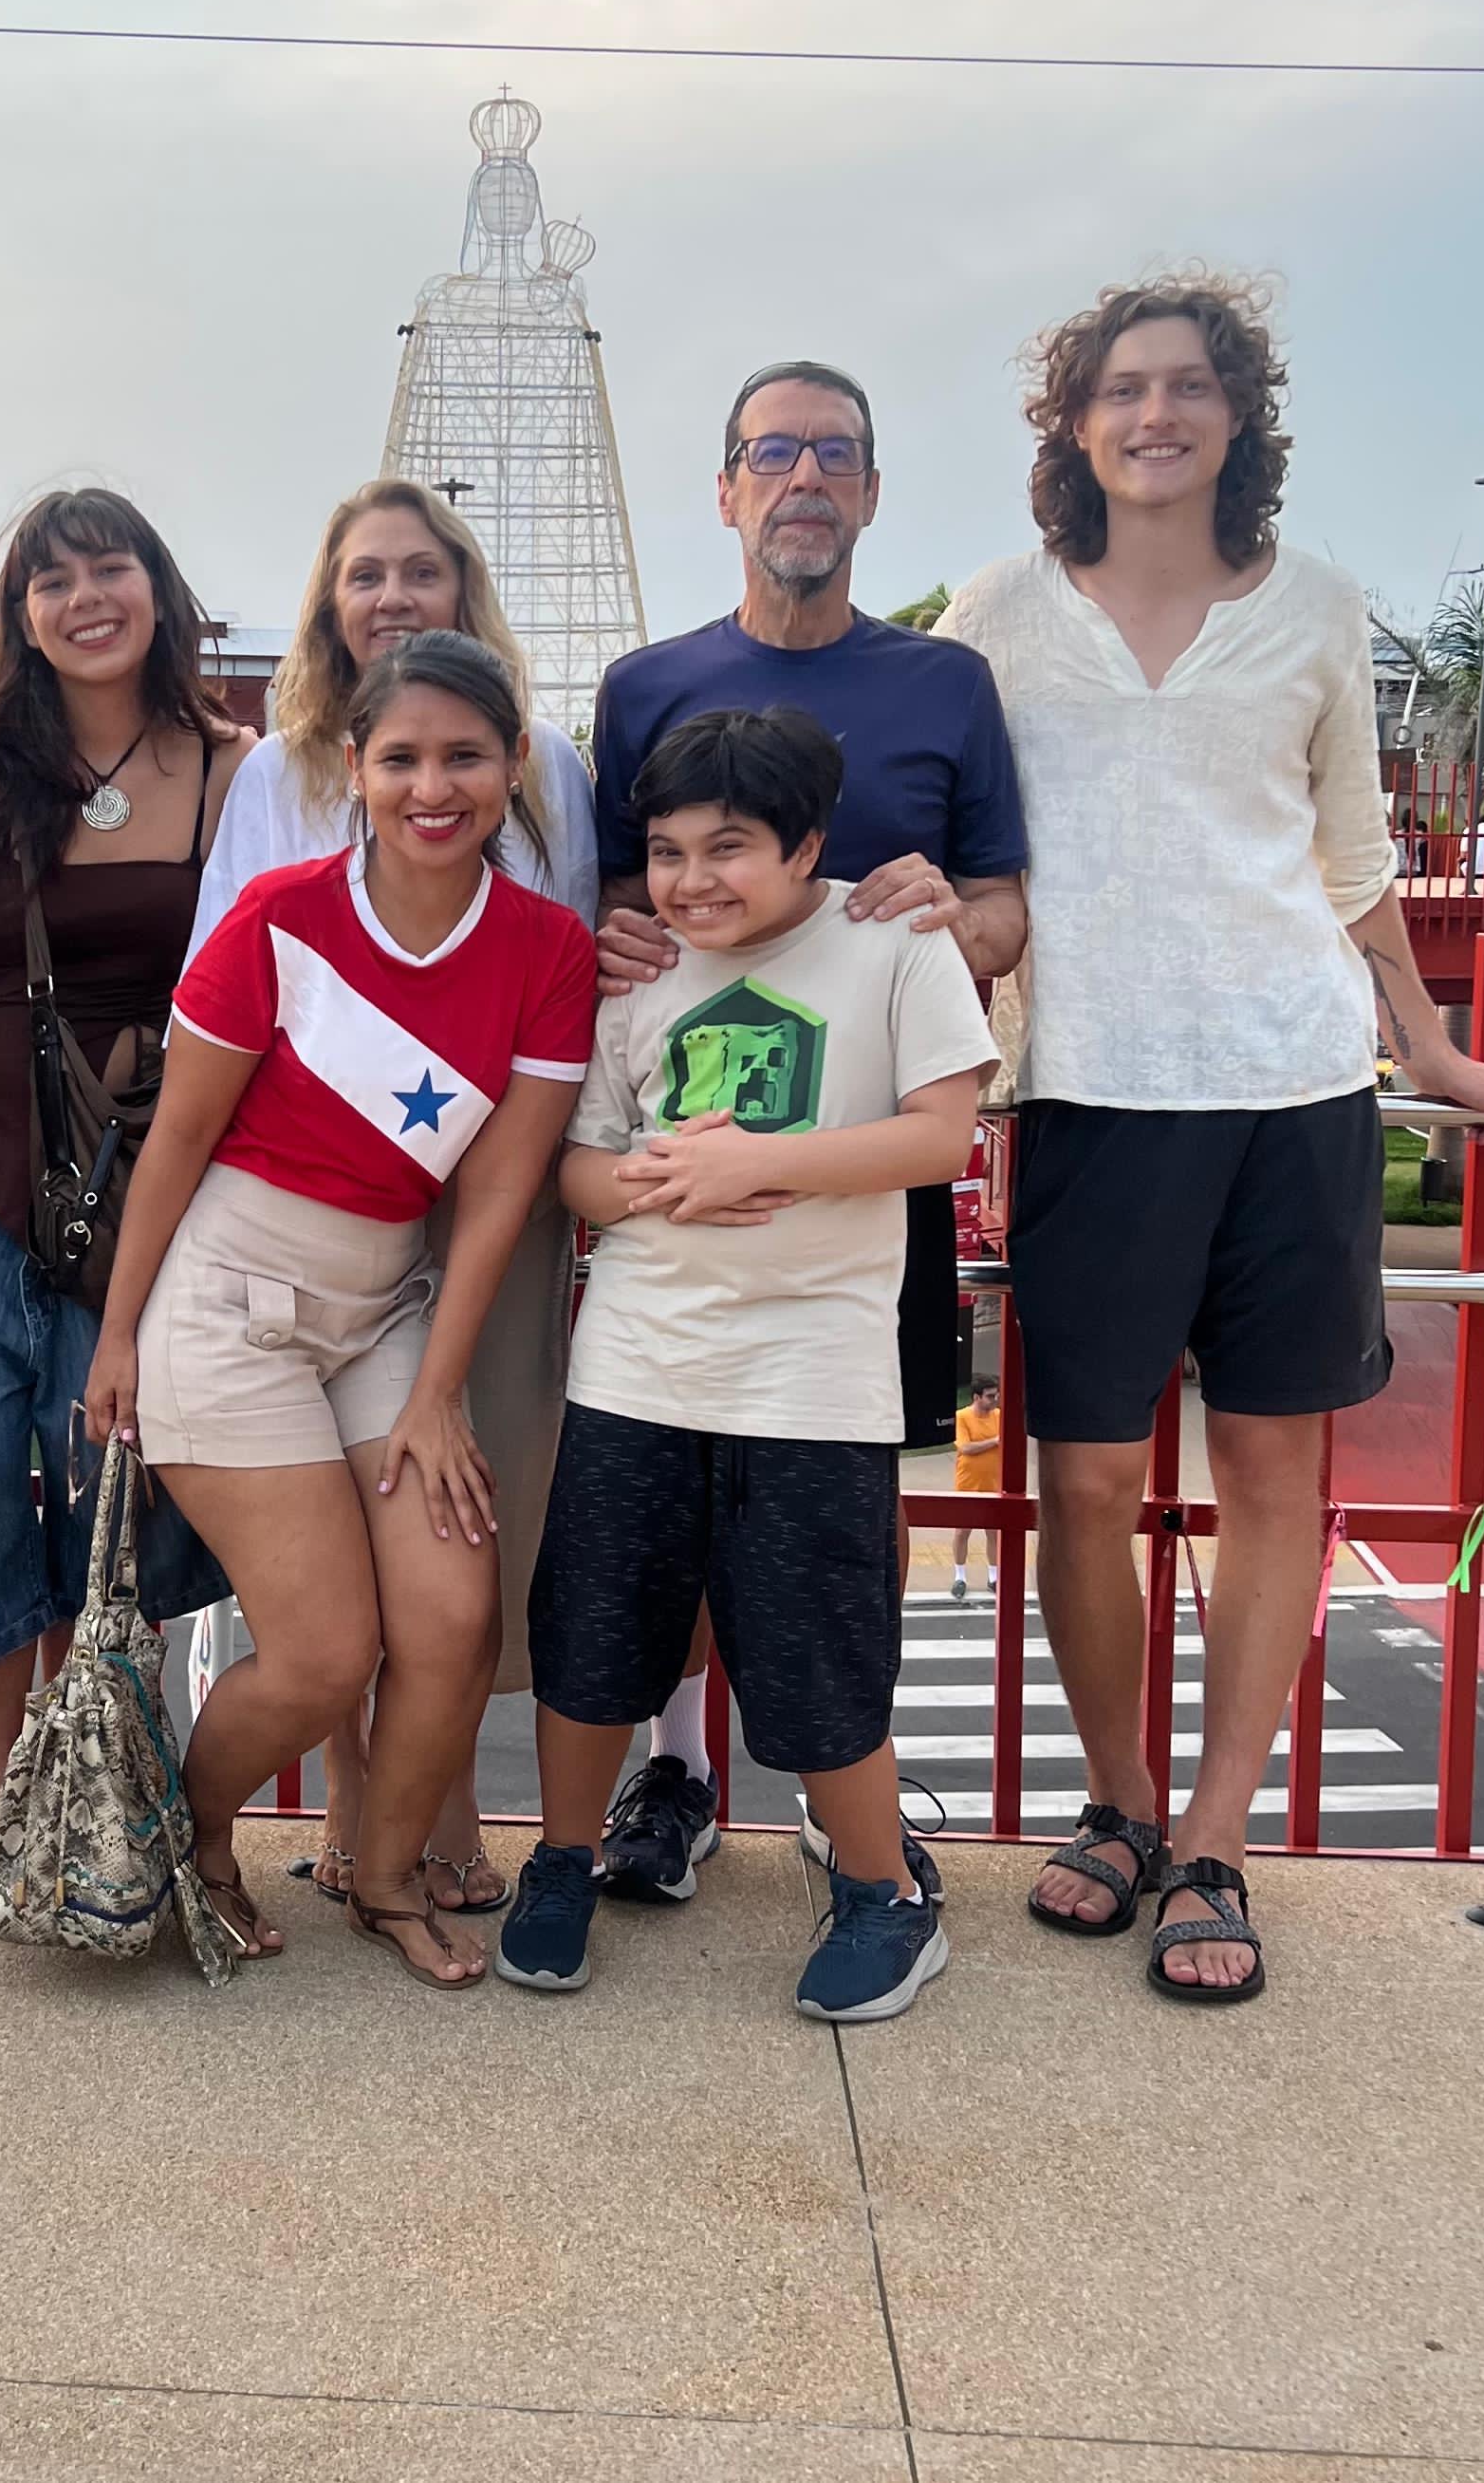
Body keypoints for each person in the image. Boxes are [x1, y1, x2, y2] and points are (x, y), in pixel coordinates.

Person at [939, 274, 1484, 2004]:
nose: (1156, 415)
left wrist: (1427, 1042)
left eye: (1190, 385)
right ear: (1074, 423)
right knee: (1088, 1479)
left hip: (1292, 1086)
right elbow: (960, 839)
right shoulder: (997, 612)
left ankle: (1214, 1834)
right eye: (1123, 388)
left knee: (1271, 1475)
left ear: (1237, 415)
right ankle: (1119, 1801)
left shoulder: (1318, 608)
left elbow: (1349, 858)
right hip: (1090, 1089)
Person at [82, 630, 596, 1986]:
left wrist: (437, 1393)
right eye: (403, 757)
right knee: (320, 1655)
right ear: (355, 766)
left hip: (386, 1308)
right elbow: (176, 1142)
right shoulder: (279, 916)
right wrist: (120, 1334)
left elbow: (498, 1193)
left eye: (466, 756)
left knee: (453, 1620)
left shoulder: (547, 949)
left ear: (513, 764)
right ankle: (196, 1835)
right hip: (230, 1306)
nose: (434, 787)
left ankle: (381, 1877)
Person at [583, 357, 1027, 1904]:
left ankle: (854, 1803)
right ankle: (676, 1772)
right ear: (725, 489)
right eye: (772, 453)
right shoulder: (644, 683)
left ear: (874, 489)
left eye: (835, 453)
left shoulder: (945, 682)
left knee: (845, 1512)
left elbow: (1005, 909)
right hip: (681, 1175)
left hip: (858, 1186)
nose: (804, 479)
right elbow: (623, 907)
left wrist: (945, 909)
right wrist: (616, 940)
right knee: (665, 1498)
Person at [495, 707, 995, 2020]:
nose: (691, 880)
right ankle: (560, 1860)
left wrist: (757, 1162)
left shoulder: (893, 944)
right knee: (593, 1630)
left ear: (807, 845)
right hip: (636, 1362)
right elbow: (576, 1164)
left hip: (812, 1371)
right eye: (666, 850)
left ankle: (883, 1894)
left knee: (820, 1644)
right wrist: (657, 1183)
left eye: (728, 848)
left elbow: (940, 1136)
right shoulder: (638, 969)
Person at [190, 477, 598, 1916]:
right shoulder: (274, 773)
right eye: (364, 573)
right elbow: (227, 982)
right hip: (314, 1197)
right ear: (328, 600)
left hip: (486, 1184)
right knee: (339, 1536)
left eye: (421, 569)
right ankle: (358, 1809)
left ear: (462, 587)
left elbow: (566, 956)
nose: (392, 595)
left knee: (459, 1509)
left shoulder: (546, 760)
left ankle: (439, 1804)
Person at [0, 488, 252, 1914]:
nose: (85, 598)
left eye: (110, 568)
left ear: (159, 586)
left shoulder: (232, 767)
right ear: (19, 614)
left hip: (148, 1176)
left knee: (112, 1492)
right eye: (51, 579)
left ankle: (102, 1789)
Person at [949, 1376, 1002, 1600]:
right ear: (976, 1397)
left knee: (993, 1532)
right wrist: (995, 1441)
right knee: (962, 1531)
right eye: (990, 1396)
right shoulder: (962, 1417)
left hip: (994, 1483)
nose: (994, 1400)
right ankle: (959, 1577)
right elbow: (965, 1447)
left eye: (996, 1395)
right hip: (968, 1483)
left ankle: (994, 1577)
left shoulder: (999, 1416)